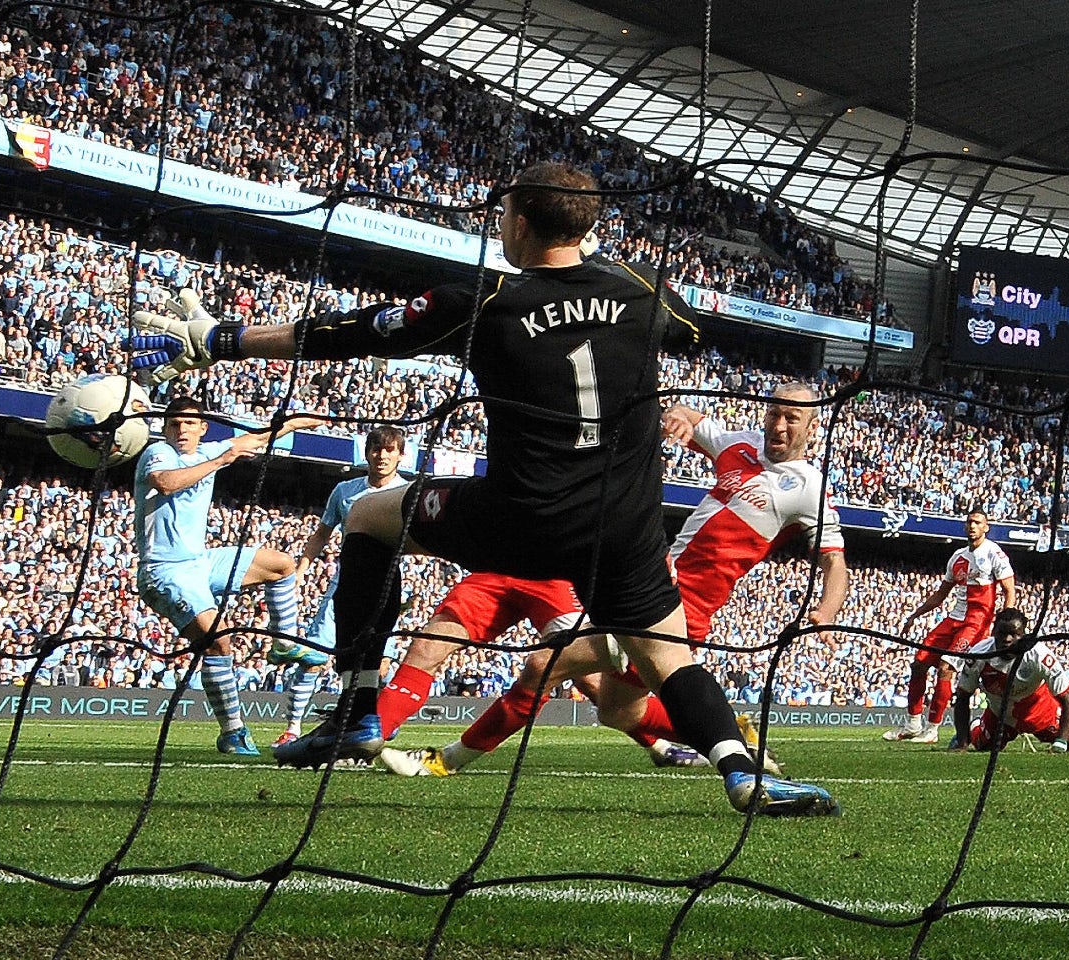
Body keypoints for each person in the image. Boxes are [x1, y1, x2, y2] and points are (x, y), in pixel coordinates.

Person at [129, 162, 835, 815]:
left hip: (519, 518)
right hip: (623, 529)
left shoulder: (487, 301)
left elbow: (351, 333)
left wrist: (224, 339)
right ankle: (744, 773)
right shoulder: (639, 287)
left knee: (370, 517)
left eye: (504, 216)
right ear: (585, 227)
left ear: (519, 224)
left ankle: (359, 708)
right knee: (667, 655)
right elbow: (688, 322)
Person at [383, 387, 847, 779]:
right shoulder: (739, 446)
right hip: (650, 583)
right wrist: (678, 419)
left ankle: (444, 762)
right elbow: (687, 414)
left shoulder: (807, 486)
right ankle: (731, 737)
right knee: (617, 711)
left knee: (545, 664)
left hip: (682, 605)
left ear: (812, 427)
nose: (779, 425)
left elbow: (834, 561)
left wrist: (826, 611)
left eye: (793, 418)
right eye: (774, 413)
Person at [374, 572, 710, 773]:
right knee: (427, 646)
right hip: (498, 568)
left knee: (584, 678)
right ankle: (363, 740)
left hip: (555, 574)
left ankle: (709, 738)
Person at [134, 395, 320, 756]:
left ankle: (282, 642)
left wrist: (304, 421)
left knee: (281, 564)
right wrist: (221, 460)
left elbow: (262, 436)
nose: (182, 429)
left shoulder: (211, 449)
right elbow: (167, 483)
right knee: (219, 643)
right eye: (175, 423)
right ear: (166, 428)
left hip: (200, 561)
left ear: (203, 428)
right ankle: (232, 731)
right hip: (164, 570)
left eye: (190, 423)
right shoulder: (158, 454)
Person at [273, 425, 410, 748]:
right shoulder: (345, 491)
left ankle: (371, 721)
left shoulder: (408, 491)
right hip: (343, 583)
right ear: (367, 453)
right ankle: (292, 727)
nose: (382, 456)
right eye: (376, 449)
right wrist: (302, 568)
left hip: (387, 582)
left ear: (400, 456)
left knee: (380, 663)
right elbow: (322, 533)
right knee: (315, 657)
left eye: (389, 450)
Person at [884, 509, 1015, 745]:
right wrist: (914, 615)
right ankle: (913, 723)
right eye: (969, 522)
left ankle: (932, 728)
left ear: (986, 527)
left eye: (977, 522)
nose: (972, 526)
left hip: (976, 622)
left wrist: (1004, 622)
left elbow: (1009, 589)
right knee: (919, 663)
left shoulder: (994, 553)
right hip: (954, 618)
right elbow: (941, 595)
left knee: (946, 668)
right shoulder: (957, 557)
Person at [948, 607, 1069, 754]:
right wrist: (963, 743)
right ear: (993, 631)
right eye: (1002, 633)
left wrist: (1061, 741)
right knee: (982, 745)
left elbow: (1068, 697)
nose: (1007, 639)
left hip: (1040, 712)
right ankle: (973, 729)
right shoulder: (978, 655)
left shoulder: (1040, 655)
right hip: (999, 714)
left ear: (1024, 634)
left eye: (1014, 634)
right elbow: (963, 696)